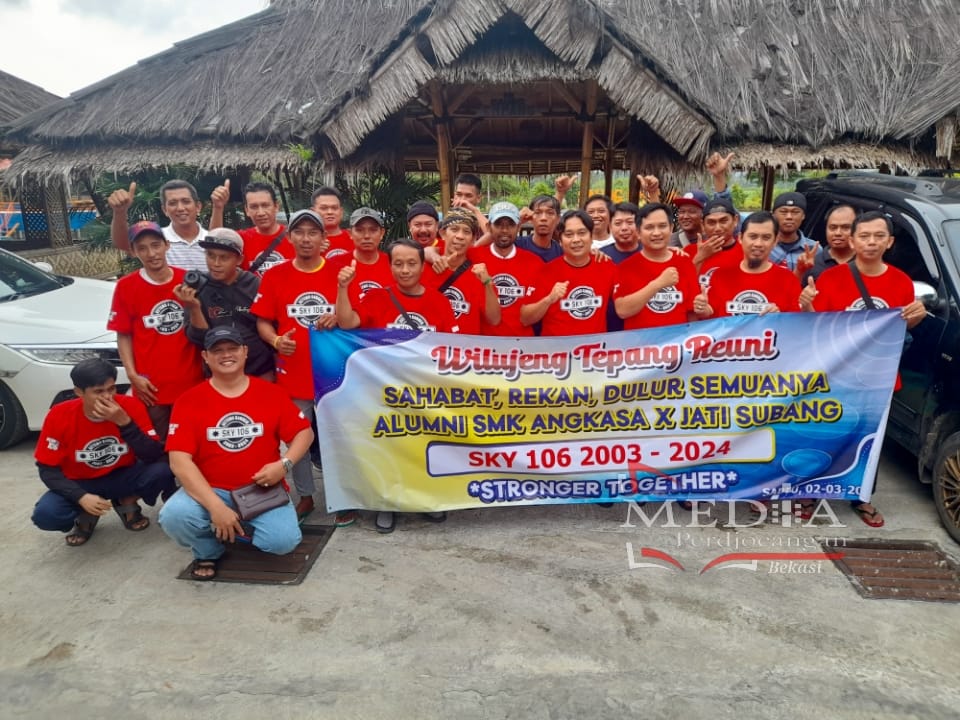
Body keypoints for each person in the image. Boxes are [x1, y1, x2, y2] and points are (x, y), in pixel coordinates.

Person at [798, 210, 927, 528]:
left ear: (890, 242)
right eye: (864, 236)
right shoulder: (831, 278)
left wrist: (916, 317)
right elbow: (818, 329)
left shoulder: (900, 282)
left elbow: (901, 330)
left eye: (878, 236)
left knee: (871, 439)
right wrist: (807, 305)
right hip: (837, 375)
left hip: (879, 377)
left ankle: (862, 496)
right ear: (853, 240)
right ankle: (812, 492)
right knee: (826, 432)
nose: (871, 242)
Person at [159, 327, 313, 580]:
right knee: (174, 517)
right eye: (217, 351)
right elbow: (179, 461)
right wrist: (216, 507)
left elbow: (304, 433)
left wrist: (284, 464)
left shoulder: (270, 393)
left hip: (260, 489)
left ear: (245, 352)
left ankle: (236, 527)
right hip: (211, 488)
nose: (226, 355)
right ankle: (208, 549)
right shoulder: (189, 401)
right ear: (205, 357)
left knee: (283, 542)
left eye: (232, 349)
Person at [337, 238, 458, 533]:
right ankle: (386, 504)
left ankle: (424, 501)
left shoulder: (438, 301)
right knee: (387, 449)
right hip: (383, 392)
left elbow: (452, 347)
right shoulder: (377, 298)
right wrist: (342, 288)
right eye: (398, 263)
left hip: (424, 392)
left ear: (422, 265)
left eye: (412, 263)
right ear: (390, 265)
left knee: (421, 448)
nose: (405, 270)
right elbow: (347, 322)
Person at [251, 209, 339, 522]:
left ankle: (342, 497)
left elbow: (357, 317)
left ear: (323, 238)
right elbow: (262, 321)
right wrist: (275, 341)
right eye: (299, 232)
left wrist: (339, 316)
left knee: (337, 438)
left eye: (312, 232)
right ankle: (305, 495)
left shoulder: (339, 272)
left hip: (334, 374)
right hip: (293, 375)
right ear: (289, 238)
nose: (305, 238)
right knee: (297, 436)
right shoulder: (275, 276)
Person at [31, 357, 175, 547]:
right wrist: (79, 496)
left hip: (122, 475)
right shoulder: (59, 414)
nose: (108, 397)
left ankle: (126, 501)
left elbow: (152, 454)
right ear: (79, 393)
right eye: (98, 392)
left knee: (165, 469)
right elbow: (47, 469)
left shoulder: (129, 405)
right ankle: (86, 512)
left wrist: (125, 423)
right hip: (81, 482)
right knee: (46, 515)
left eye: (111, 389)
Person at [107, 221, 203, 440]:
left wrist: (193, 306)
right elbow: (123, 334)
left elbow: (203, 331)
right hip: (151, 388)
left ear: (166, 245)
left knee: (193, 443)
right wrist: (133, 376)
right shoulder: (126, 286)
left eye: (155, 245)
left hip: (191, 381)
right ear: (133, 252)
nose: (151, 253)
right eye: (142, 248)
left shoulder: (187, 280)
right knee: (159, 447)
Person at [173, 227, 275, 379]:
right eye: (210, 255)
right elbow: (198, 339)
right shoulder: (199, 287)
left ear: (239, 259)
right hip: (219, 375)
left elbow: (272, 326)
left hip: (261, 371)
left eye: (224, 257)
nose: (216, 263)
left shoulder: (255, 285)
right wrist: (193, 307)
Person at [520, 209, 617, 336]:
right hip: (556, 352)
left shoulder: (607, 266)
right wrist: (549, 299)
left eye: (582, 233)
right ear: (560, 240)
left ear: (591, 237)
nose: (576, 240)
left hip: (594, 351)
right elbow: (525, 319)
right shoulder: (545, 271)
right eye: (569, 234)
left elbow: (624, 307)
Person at [614, 203, 706, 329]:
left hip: (676, 344)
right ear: (638, 232)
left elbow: (691, 312)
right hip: (640, 346)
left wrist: (703, 308)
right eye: (649, 227)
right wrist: (657, 284)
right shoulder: (626, 267)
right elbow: (622, 311)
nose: (656, 233)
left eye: (662, 226)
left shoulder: (684, 262)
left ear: (671, 228)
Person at [694, 211, 801, 318]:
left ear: (775, 241)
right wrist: (702, 308)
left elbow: (794, 325)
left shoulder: (788, 280)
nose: (758, 244)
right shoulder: (720, 276)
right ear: (740, 238)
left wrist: (778, 318)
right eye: (753, 237)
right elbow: (710, 316)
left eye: (766, 237)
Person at [108, 179, 226, 272]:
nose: (180, 208)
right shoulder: (156, 238)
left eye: (186, 201)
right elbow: (122, 244)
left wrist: (218, 207)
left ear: (198, 206)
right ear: (165, 210)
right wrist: (119, 212)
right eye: (173, 203)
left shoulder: (209, 240)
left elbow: (216, 243)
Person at [467, 201, 544, 337]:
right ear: (489, 227)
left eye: (510, 225)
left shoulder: (535, 263)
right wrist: (430, 252)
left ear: (519, 227)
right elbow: (443, 253)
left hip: (521, 347)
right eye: (498, 224)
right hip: (483, 348)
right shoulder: (473, 256)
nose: (504, 230)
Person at [424, 207, 500, 334]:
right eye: (454, 229)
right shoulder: (425, 265)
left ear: (473, 239)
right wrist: (433, 257)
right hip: (430, 347)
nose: (460, 236)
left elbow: (494, 320)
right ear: (442, 233)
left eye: (466, 231)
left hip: (465, 349)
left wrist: (487, 283)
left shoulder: (478, 271)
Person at [234, 181, 292, 272]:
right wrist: (218, 208)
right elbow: (216, 246)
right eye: (254, 207)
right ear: (247, 210)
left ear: (276, 206)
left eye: (265, 205)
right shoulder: (240, 239)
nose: (261, 213)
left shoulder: (295, 238)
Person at [683, 197, 743, 286]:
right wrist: (699, 258)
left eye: (723, 221)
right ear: (702, 225)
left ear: (735, 220)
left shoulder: (747, 252)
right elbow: (679, 288)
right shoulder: (689, 252)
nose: (718, 228)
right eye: (711, 222)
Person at [345, 206, 394, 302]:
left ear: (382, 233)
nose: (367, 236)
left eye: (373, 230)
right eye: (359, 230)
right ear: (350, 233)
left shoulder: (394, 265)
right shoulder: (335, 264)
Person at [803, 204, 857, 283]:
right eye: (833, 227)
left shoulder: (866, 263)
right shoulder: (812, 263)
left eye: (845, 227)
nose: (838, 233)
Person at [770, 191, 819, 273]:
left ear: (803, 216)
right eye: (783, 212)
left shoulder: (814, 249)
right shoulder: (763, 245)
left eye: (795, 212)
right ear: (773, 215)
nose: (789, 217)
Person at [516, 195, 563, 262]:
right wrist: (517, 220)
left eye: (550, 213)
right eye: (537, 213)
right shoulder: (517, 245)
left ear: (558, 219)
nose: (543, 218)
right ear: (530, 218)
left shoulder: (561, 253)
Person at [311, 186, 352, 260]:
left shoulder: (354, 239)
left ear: (341, 211)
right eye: (324, 208)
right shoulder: (305, 241)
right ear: (313, 211)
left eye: (334, 208)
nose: (330, 212)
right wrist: (309, 255)